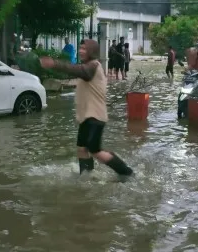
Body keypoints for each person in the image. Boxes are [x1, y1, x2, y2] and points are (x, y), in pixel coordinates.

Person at [39, 39, 134, 180]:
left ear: (92, 51)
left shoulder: (93, 66)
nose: (80, 51)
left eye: (84, 48)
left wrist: (55, 63)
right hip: (86, 117)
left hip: (95, 117)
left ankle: (127, 173)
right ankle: (86, 178)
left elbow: (79, 71)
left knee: (95, 151)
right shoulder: (87, 66)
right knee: (82, 149)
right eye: (80, 48)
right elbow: (74, 71)